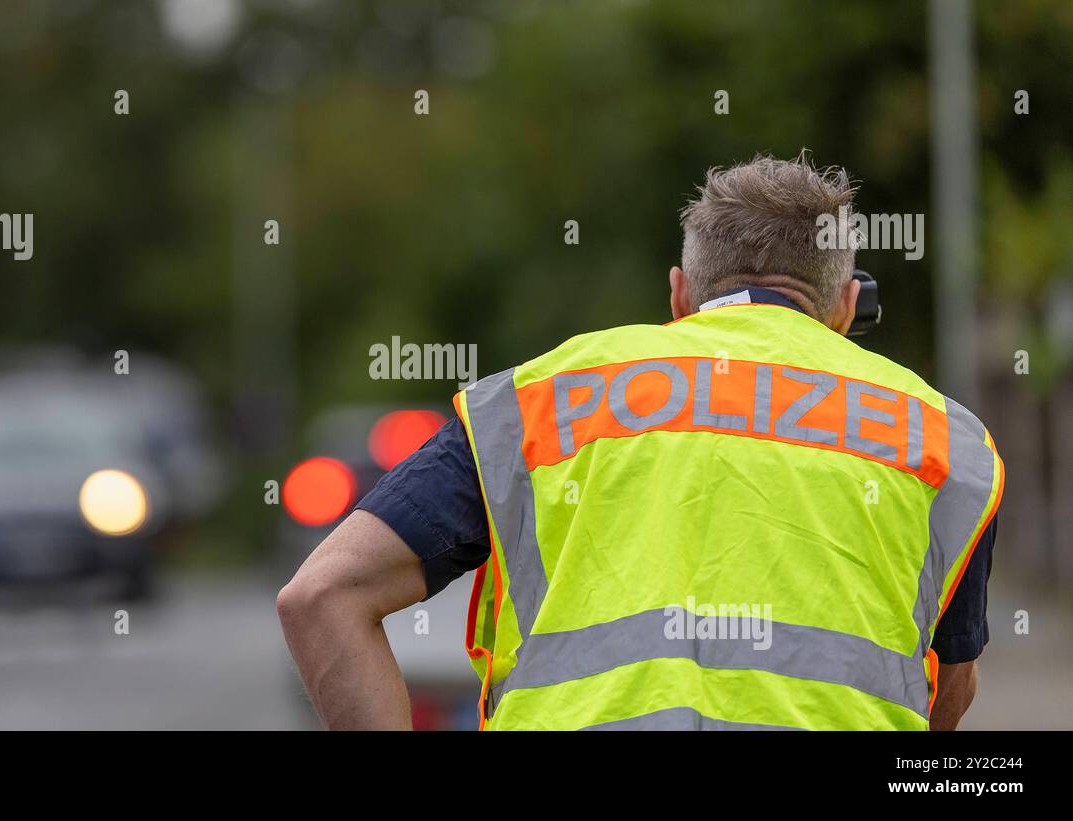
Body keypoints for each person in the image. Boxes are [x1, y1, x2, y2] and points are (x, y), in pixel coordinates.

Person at [277, 153, 1003, 731]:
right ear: (846, 306)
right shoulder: (943, 440)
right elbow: (948, 686)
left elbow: (321, 595)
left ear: (681, 295)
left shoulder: (540, 401)